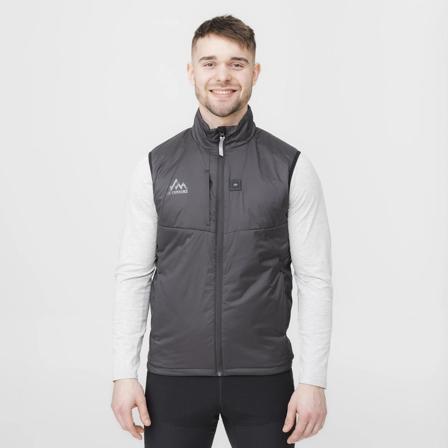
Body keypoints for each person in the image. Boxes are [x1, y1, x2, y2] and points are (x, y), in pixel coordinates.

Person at [111, 14, 333, 447]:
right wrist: (124, 373)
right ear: (191, 71)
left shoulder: (290, 167)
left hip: (264, 378)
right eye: (210, 63)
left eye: (237, 63)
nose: (223, 76)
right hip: (173, 379)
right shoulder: (156, 167)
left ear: (255, 72)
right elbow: (133, 276)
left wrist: (313, 381)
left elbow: (315, 279)